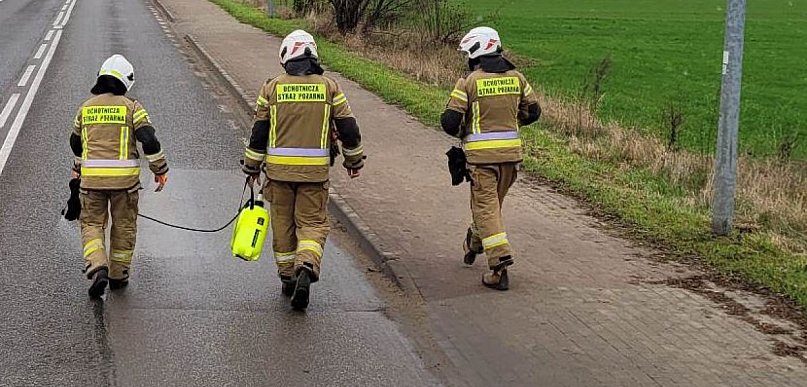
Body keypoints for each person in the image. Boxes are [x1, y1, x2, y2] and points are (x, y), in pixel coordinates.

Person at [242, 30, 365, 310]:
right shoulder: (330, 87)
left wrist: (251, 167)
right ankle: (306, 267)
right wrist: (353, 161)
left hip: (278, 175)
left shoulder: (271, 88)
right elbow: (349, 129)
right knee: (311, 225)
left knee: (283, 226)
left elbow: (259, 133)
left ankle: (287, 278)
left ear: (286, 56)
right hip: (314, 176)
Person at [441, 27, 541, 291]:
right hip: (511, 158)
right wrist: (510, 121)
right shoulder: (518, 79)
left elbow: (449, 122)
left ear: (476, 52)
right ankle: (474, 243)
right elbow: (534, 112)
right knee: (491, 208)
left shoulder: (469, 82)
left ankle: (499, 264)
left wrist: (466, 129)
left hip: (481, 161)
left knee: (486, 208)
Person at [70, 54, 169, 297]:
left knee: (91, 224)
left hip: (91, 182)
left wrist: (78, 168)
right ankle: (118, 275)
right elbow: (149, 140)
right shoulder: (132, 107)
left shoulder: (86, 108)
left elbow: (76, 143)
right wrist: (160, 170)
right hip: (125, 185)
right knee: (124, 227)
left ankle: (97, 265)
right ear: (126, 81)